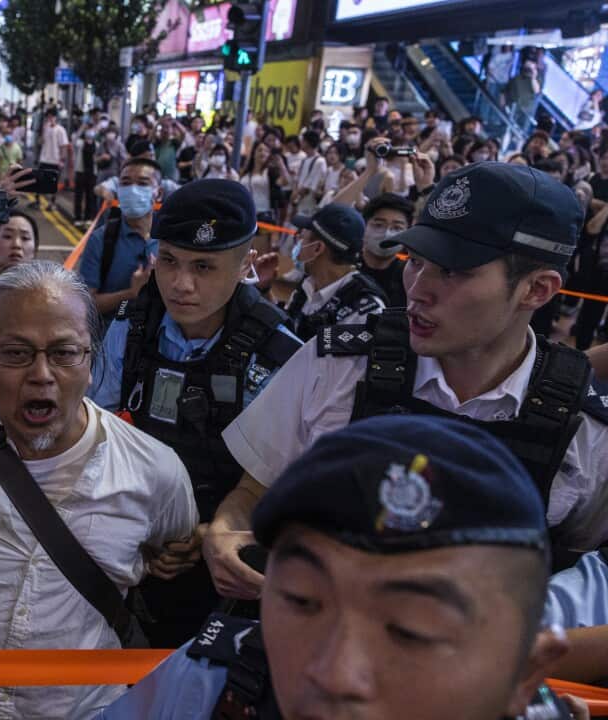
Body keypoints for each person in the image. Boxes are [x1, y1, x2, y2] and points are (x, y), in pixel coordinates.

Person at [207, 162, 608, 603]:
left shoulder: (583, 433)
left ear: (537, 290)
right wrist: (226, 536)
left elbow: (582, 570)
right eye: (416, 261)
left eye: (453, 271)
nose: (417, 288)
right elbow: (252, 490)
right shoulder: (335, 364)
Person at [98, 415, 576, 720]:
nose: (333, 672)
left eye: (410, 630)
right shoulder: (206, 685)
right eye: (303, 601)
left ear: (525, 674)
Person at [0, 261, 198, 718]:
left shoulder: (155, 472)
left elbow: (176, 544)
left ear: (91, 363)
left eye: (64, 353)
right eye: (15, 353)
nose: (41, 374)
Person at [90, 179, 301, 646]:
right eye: (169, 261)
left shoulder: (280, 356)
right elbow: (94, 433)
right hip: (128, 543)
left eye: (204, 266)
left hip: (230, 569)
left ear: (245, 263)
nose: (181, 284)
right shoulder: (132, 328)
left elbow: (289, 482)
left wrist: (212, 533)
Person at [282, 203, 387, 342]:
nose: (297, 244)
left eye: (301, 237)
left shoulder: (365, 311)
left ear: (317, 248)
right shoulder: (306, 287)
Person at [78, 158, 162, 318]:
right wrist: (131, 293)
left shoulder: (171, 240)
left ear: (159, 193)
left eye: (143, 183)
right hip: (109, 340)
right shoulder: (101, 239)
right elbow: (85, 306)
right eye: (126, 183)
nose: (133, 190)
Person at [358, 192, 415, 307]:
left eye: (397, 227)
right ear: (364, 226)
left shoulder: (411, 276)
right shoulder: (345, 267)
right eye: (378, 225)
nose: (386, 233)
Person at [33, 108, 70, 212]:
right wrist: (44, 130)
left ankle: (52, 203)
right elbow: (40, 142)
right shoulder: (45, 128)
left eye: (52, 116)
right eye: (48, 116)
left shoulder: (60, 130)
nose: (50, 119)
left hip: (55, 160)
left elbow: (64, 146)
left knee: (53, 183)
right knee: (39, 181)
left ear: (55, 117)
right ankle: (37, 201)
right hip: (44, 159)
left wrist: (62, 160)